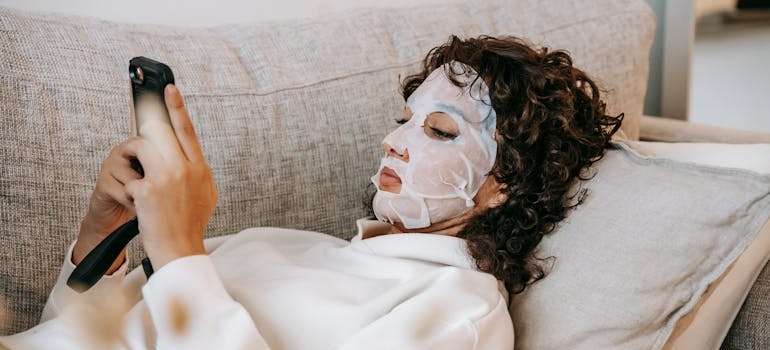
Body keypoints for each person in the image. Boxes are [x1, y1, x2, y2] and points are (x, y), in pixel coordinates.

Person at [0, 35, 621, 349]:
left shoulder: (457, 310)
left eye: (436, 129)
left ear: (501, 187)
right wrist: (100, 239)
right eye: (405, 118)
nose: (392, 140)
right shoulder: (277, 246)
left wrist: (180, 255)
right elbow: (75, 336)